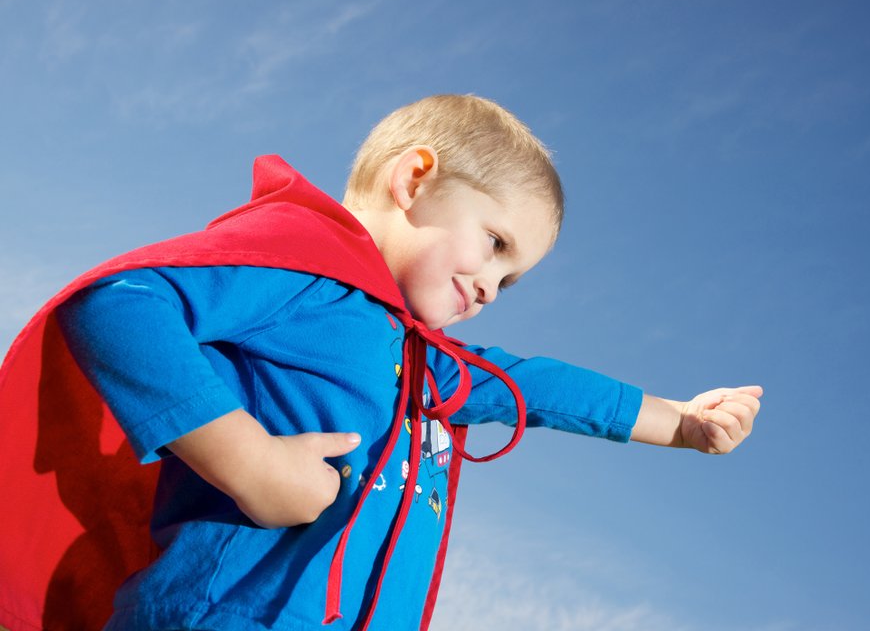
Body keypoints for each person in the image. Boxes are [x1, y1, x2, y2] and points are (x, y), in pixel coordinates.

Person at [0, 95, 761, 631]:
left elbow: (536, 384)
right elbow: (119, 302)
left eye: (512, 279)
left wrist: (682, 420)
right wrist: (247, 462)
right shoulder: (304, 279)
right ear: (414, 179)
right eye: (496, 244)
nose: (493, 288)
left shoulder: (433, 367)